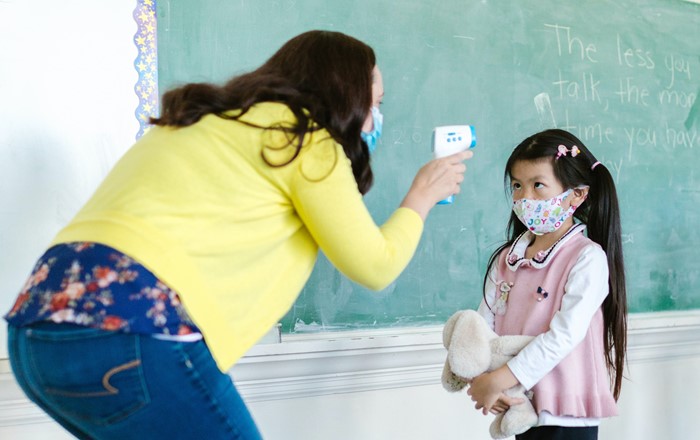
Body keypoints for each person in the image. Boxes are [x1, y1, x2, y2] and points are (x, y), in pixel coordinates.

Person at [4, 30, 472, 439]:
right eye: (374, 104)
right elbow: (375, 265)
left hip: (36, 333)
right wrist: (421, 197)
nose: (374, 120)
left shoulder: (199, 120)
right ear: (344, 96)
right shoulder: (305, 138)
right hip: (135, 330)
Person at [468, 129, 627, 440]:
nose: (525, 197)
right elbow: (482, 324)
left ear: (577, 195)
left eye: (538, 185)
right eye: (517, 185)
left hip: (566, 413)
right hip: (520, 405)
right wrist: (484, 377)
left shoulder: (586, 258)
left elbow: (564, 336)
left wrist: (500, 378)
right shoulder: (506, 259)